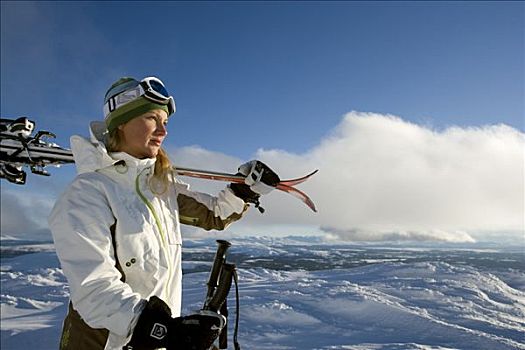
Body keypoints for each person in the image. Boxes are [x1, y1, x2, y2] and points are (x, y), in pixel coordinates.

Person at [48, 76, 280, 350]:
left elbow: (214, 214)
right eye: (151, 118)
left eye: (165, 122)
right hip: (106, 342)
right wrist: (162, 329)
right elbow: (93, 288)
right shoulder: (88, 193)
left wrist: (243, 190)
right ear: (120, 122)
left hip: (155, 339)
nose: (163, 130)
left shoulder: (160, 187)